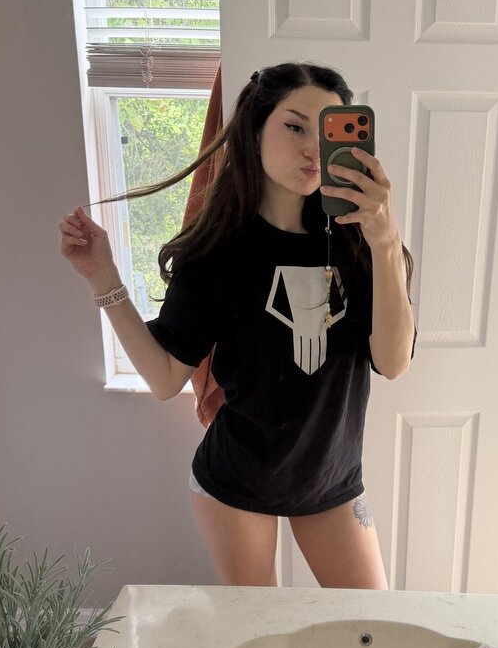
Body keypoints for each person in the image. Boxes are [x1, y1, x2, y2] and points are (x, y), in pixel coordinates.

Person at [60, 62, 415, 589]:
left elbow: (393, 361)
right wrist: (103, 279)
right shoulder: (216, 253)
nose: (313, 150)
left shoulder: (359, 244)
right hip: (235, 483)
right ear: (255, 129)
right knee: (260, 632)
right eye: (294, 127)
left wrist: (385, 242)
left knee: (371, 625)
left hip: (332, 481)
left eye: (327, 133)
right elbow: (165, 378)